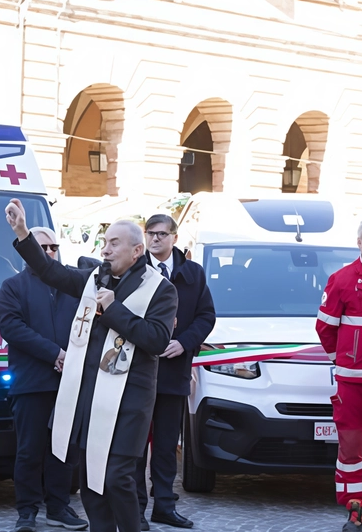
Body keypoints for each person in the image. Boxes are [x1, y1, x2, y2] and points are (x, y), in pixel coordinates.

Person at [5, 200, 177, 532]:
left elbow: (156, 340)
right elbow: (50, 271)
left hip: (128, 402)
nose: (106, 249)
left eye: (114, 243)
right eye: (104, 242)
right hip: (90, 398)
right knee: (91, 481)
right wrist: (23, 233)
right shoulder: (94, 279)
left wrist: (114, 310)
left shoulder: (161, 289)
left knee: (116, 477)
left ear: (136, 250)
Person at [0, 226, 88, 532]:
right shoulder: (12, 286)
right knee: (29, 450)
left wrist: (70, 358)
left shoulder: (73, 284)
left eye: (53, 247)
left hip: (69, 382)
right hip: (31, 382)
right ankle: (27, 510)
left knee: (64, 449)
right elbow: (12, 328)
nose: (49, 252)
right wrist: (55, 354)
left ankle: (59, 507)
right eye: (42, 246)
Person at [135, 215, 215, 530]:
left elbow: (206, 316)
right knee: (136, 446)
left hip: (173, 372)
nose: (155, 239)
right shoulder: (134, 269)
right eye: (150, 233)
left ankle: (164, 506)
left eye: (162, 234)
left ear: (174, 237)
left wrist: (184, 343)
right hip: (137, 371)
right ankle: (136, 509)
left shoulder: (192, 273)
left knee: (167, 445)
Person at [315, 216, 362, 532]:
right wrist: (343, 358)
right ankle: (355, 511)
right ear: (359, 243)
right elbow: (325, 327)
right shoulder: (343, 279)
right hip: (354, 376)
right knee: (350, 445)